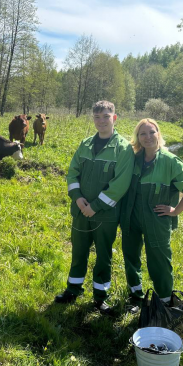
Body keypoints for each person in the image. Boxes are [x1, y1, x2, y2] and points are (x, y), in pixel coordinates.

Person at [55, 100, 134, 314]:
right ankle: (73, 290)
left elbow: (120, 184)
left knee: (103, 255)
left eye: (106, 117)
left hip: (105, 215)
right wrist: (78, 198)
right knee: (78, 252)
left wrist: (96, 206)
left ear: (114, 118)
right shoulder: (85, 144)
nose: (101, 121)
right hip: (81, 211)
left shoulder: (124, 148)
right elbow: (73, 172)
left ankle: (100, 297)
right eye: (97, 117)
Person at [120, 118, 183, 311]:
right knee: (130, 257)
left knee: (159, 261)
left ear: (159, 134)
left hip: (157, 220)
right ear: (137, 137)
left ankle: (164, 302)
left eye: (151, 132)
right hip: (131, 217)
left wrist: (176, 210)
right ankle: (136, 296)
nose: (147, 137)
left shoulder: (170, 160)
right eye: (142, 133)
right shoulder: (133, 158)